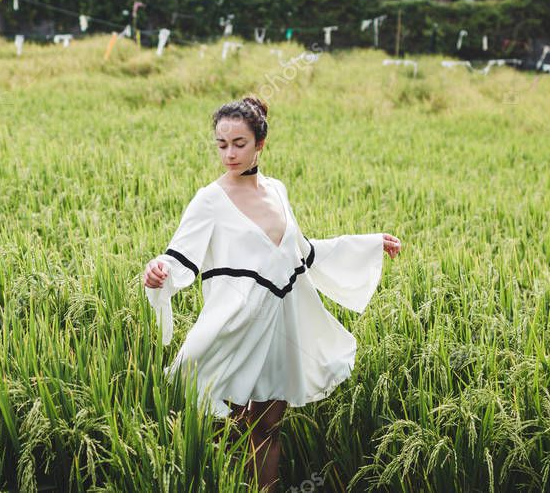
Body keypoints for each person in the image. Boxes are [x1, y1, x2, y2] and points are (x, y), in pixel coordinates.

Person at [143, 95, 402, 490]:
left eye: (239, 144)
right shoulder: (209, 200)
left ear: (260, 143)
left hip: (283, 326)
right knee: (226, 427)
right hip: (236, 331)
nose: (229, 153)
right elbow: (179, 257)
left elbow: (302, 251)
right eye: (221, 144)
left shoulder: (278, 191)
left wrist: (369, 243)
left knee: (267, 427)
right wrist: (159, 272)